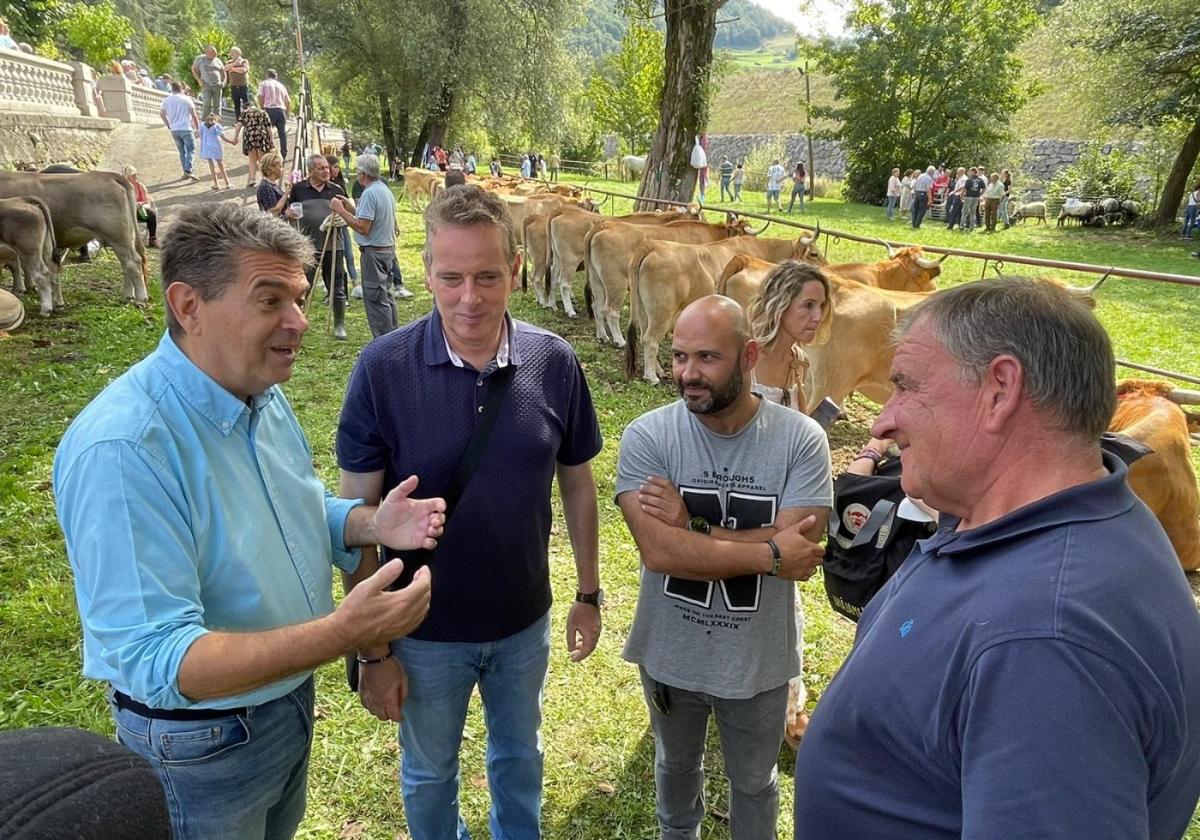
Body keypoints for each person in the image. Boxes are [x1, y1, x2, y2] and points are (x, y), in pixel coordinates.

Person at [53, 202, 446, 840]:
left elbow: (290, 514)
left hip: (279, 705)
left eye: (300, 297)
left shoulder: (261, 395)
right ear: (188, 306)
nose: (299, 323)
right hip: (200, 743)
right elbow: (161, 658)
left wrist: (371, 524)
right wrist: (346, 631)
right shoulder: (125, 448)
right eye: (270, 300)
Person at [793, 276, 1200, 840]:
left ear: (999, 390)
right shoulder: (1019, 522)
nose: (883, 420)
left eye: (906, 387)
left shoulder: (1047, 641)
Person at [336, 184, 604, 840]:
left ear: (516, 269)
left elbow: (577, 482)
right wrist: (373, 652)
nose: (469, 298)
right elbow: (353, 518)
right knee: (429, 774)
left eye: (487, 276)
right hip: (423, 630)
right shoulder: (382, 369)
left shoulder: (554, 363)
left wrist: (589, 592)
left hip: (521, 623)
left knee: (520, 758)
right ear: (425, 272)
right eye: (450, 277)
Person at [616, 294, 831, 840]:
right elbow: (659, 553)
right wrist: (770, 552)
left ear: (750, 356)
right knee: (675, 766)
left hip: (758, 660)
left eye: (707, 358)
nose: (689, 373)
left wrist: (695, 527)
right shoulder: (648, 436)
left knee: (755, 782)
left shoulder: (801, 440)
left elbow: (803, 549)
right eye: (680, 356)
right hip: (671, 651)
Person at [329, 153, 400, 337]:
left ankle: (384, 343)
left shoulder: (369, 193)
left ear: (362, 173)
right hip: (386, 250)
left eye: (357, 171)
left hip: (374, 253)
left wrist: (340, 211)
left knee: (376, 300)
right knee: (386, 296)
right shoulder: (384, 189)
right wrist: (350, 208)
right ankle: (393, 336)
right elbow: (368, 218)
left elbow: (363, 227)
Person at [291, 153, 348, 339]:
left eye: (327, 167)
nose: (326, 171)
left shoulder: (336, 189)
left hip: (334, 245)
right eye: (321, 168)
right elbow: (290, 213)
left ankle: (339, 325)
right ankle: (296, 322)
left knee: (337, 285)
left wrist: (343, 218)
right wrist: (289, 214)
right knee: (302, 286)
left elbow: (349, 213)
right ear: (310, 171)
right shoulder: (299, 189)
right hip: (307, 246)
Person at [328, 155, 360, 295]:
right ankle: (334, 287)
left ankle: (355, 284)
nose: (337, 170)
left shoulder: (339, 185)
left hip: (343, 224)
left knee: (349, 254)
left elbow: (346, 204)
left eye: (338, 167)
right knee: (336, 258)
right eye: (334, 166)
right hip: (330, 225)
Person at [159, 81, 200, 182]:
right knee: (191, 149)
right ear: (181, 88)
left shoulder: (166, 100)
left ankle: (185, 172)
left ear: (172, 89)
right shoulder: (186, 99)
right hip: (186, 128)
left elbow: (162, 114)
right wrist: (197, 127)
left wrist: (168, 124)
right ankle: (188, 169)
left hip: (174, 129)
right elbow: (194, 114)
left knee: (182, 151)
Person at [257, 69, 291, 162]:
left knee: (266, 133)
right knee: (282, 133)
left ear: (267, 75)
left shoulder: (264, 83)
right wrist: (287, 112)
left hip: (268, 109)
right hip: (280, 110)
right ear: (276, 77)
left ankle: (268, 154)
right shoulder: (281, 86)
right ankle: (283, 153)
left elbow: (260, 96)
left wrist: (262, 108)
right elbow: (288, 101)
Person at [198, 112, 238, 191]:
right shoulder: (217, 126)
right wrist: (232, 142)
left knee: (211, 165)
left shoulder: (202, 125)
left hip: (206, 147)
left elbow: (199, 134)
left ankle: (216, 184)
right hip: (216, 146)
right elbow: (223, 138)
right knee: (221, 165)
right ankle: (227, 183)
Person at [239, 104, 275, 187]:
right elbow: (269, 127)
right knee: (262, 159)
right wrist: (272, 140)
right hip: (261, 136)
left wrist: (235, 137)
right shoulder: (262, 112)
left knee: (252, 160)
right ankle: (264, 178)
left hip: (249, 136)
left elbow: (239, 125)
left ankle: (252, 179)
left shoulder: (245, 113)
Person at [123, 164, 159, 248]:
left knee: (152, 214)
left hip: (139, 211)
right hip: (126, 212)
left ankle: (152, 239)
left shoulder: (140, 186)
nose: (135, 176)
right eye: (133, 175)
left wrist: (141, 205)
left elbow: (147, 201)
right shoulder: (123, 187)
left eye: (136, 174)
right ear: (127, 176)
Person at [191, 44, 225, 119]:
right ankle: (205, 121)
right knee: (207, 103)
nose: (215, 54)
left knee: (217, 104)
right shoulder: (200, 58)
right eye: (213, 52)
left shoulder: (218, 60)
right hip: (206, 84)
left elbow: (223, 72)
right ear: (208, 52)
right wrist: (199, 79)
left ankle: (217, 121)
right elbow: (193, 69)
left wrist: (223, 82)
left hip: (217, 85)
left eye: (215, 52)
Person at [256, 151, 289, 215]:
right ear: (272, 168)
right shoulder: (266, 188)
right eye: (280, 166)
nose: (282, 169)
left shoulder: (271, 183)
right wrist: (286, 194)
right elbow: (274, 211)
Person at [226, 46, 250, 121]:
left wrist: (233, 69)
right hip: (233, 86)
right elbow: (225, 68)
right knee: (236, 104)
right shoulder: (229, 62)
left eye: (234, 53)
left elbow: (244, 70)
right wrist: (235, 63)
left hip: (243, 85)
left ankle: (248, 119)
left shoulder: (244, 61)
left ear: (238, 53)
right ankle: (238, 120)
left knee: (246, 103)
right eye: (231, 53)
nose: (232, 54)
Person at [960, 166, 985, 231]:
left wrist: (961, 195)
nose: (968, 173)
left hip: (969, 197)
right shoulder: (980, 180)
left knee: (964, 213)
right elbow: (984, 188)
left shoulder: (969, 180)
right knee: (972, 213)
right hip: (976, 198)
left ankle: (961, 226)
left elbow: (965, 189)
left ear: (973, 172)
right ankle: (972, 227)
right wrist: (980, 194)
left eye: (970, 171)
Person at [944, 166, 966, 230]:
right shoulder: (961, 178)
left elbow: (962, 187)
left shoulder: (963, 179)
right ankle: (960, 225)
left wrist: (953, 192)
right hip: (957, 196)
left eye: (958, 171)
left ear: (961, 172)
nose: (957, 173)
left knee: (954, 211)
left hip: (959, 196)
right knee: (959, 212)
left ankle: (951, 225)